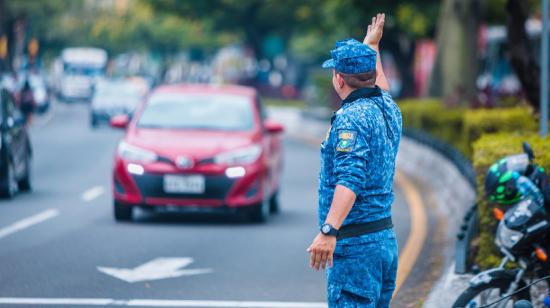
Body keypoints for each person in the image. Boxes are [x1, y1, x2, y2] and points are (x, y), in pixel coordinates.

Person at [307, 13, 402, 307]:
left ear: (338, 79)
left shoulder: (351, 119)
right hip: (383, 241)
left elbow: (350, 179)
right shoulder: (386, 106)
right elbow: (380, 82)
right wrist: (371, 47)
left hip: (356, 246)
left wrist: (328, 230)